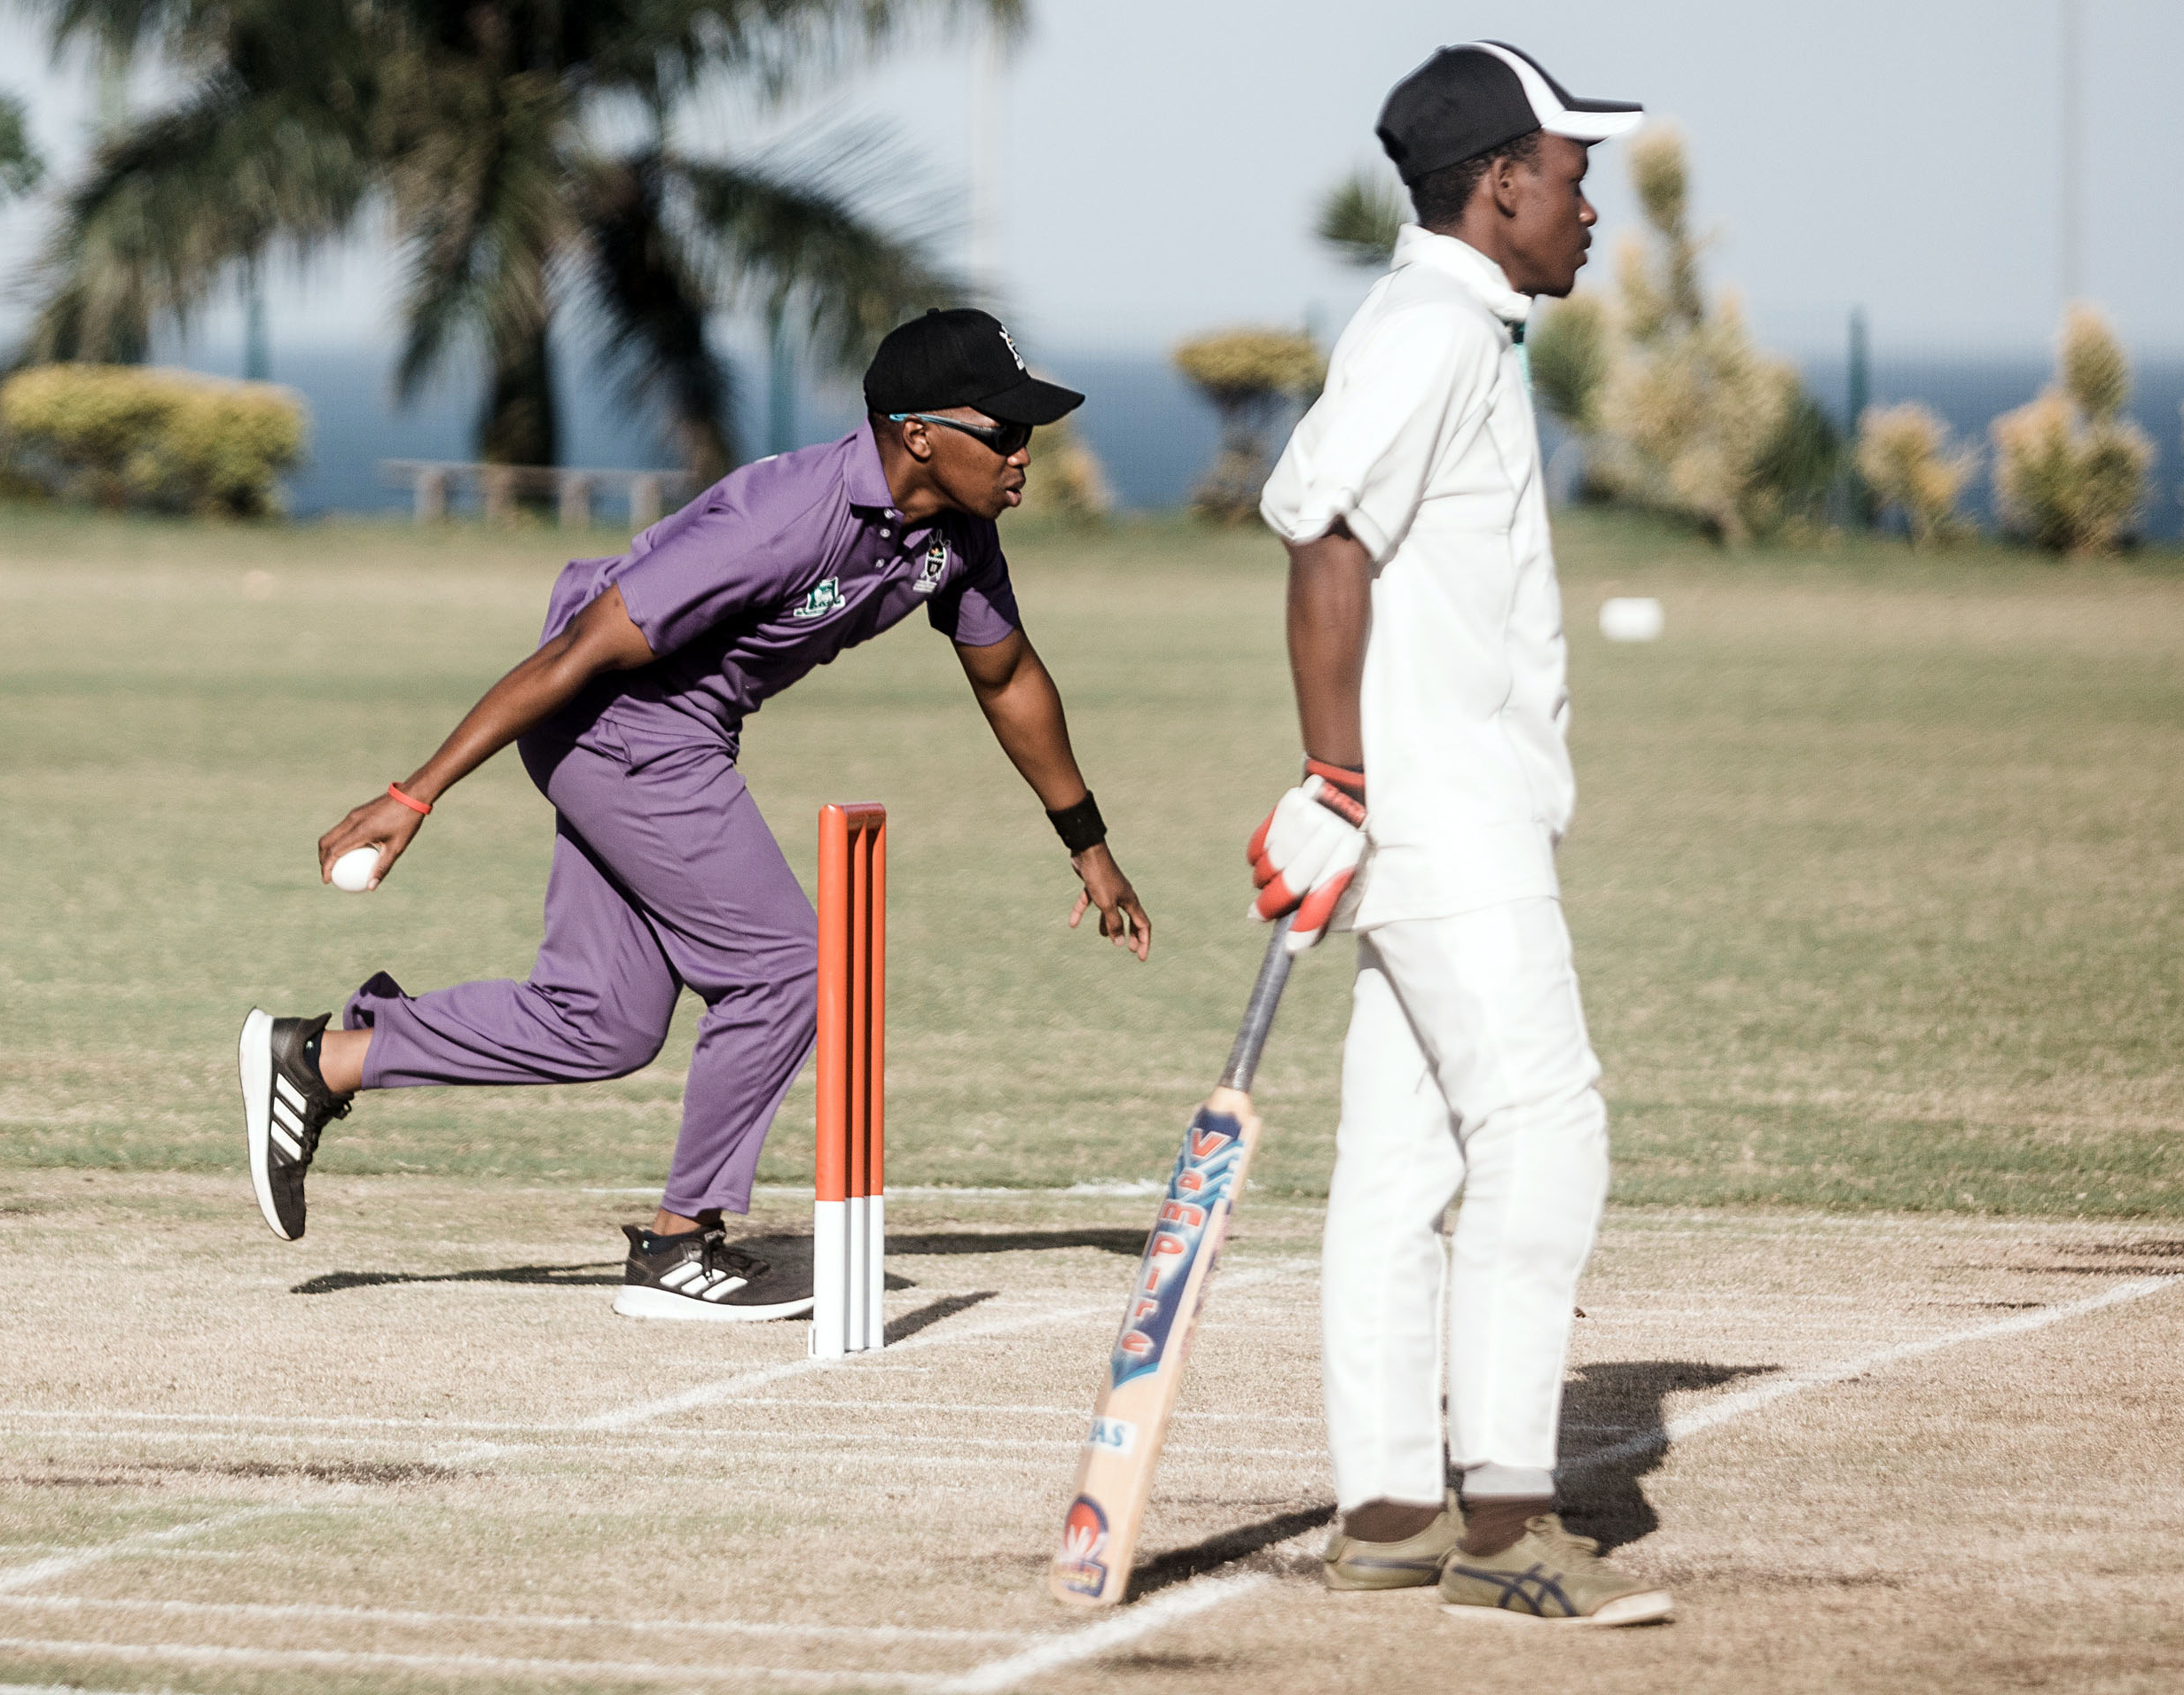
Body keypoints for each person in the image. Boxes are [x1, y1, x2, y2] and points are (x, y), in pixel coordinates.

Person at [239, 308, 1154, 1322]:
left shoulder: (956, 537)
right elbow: (579, 651)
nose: (1026, 453)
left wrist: (1089, 844)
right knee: (790, 968)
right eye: (1006, 432)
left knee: (604, 1024)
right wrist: (415, 793)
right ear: (920, 434)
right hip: (622, 726)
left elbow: (1009, 676)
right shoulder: (783, 518)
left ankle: (319, 1060)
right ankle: (680, 1247)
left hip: (678, 733)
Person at [1247, 42, 1674, 1624]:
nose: (1586, 208)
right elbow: (1320, 535)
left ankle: (1383, 1512)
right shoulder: (1431, 329)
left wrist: (1343, 788)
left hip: (1429, 821)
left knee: (1399, 1168)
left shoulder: (1447, 325)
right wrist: (1332, 778)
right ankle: (1502, 1527)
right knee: (1544, 1137)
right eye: (1571, 177)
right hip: (1443, 828)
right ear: (1498, 184)